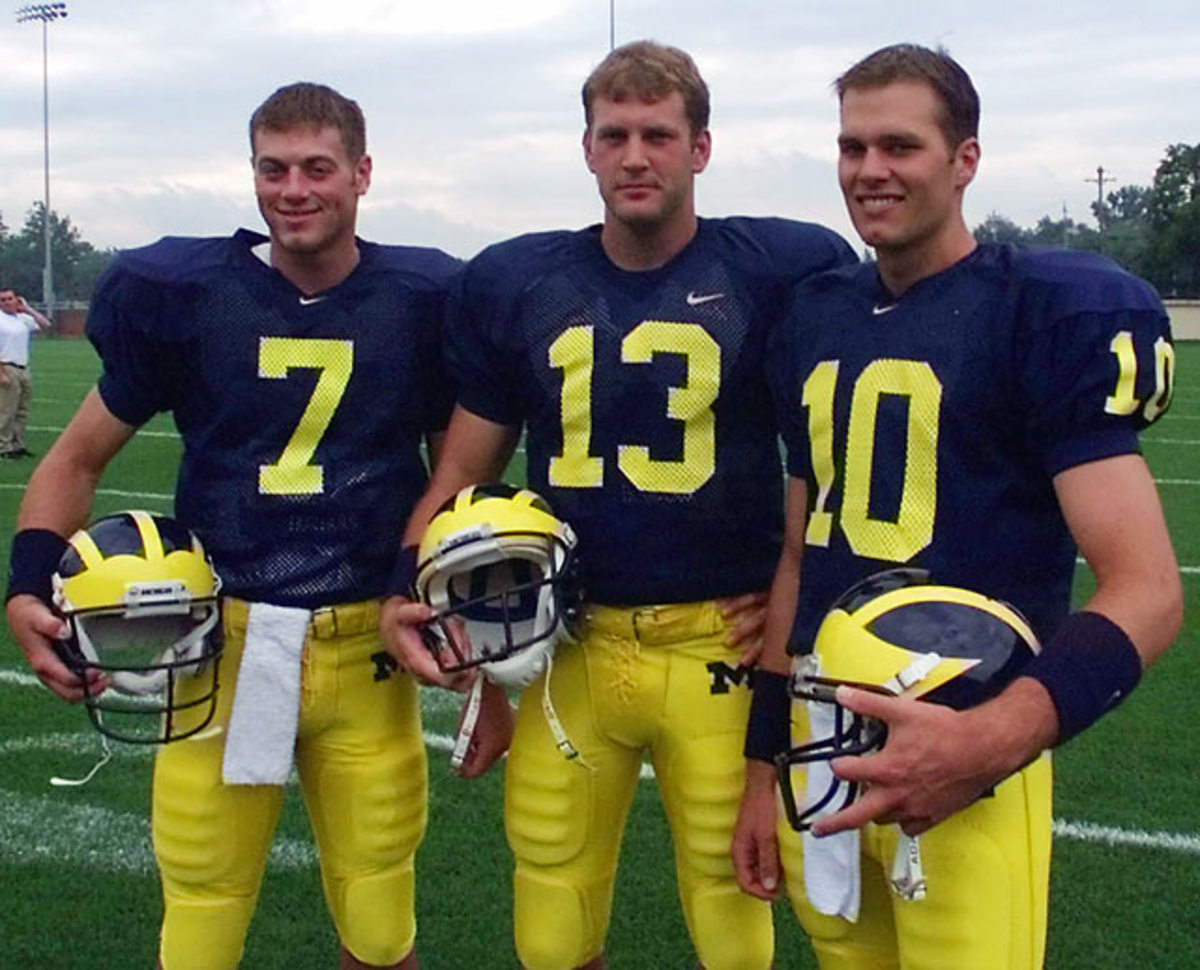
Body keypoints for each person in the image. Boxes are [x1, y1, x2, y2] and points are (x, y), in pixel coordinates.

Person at [382, 40, 855, 970]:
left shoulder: (782, 268)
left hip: (716, 638)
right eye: (615, 135)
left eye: (658, 134)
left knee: (731, 916)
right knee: (551, 915)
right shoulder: (521, 283)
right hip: (572, 641)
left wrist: (802, 595)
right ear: (588, 150)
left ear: (700, 148)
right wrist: (409, 582)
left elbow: (831, 462)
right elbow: (461, 475)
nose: (636, 155)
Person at [731, 43, 1182, 970]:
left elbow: (1148, 590)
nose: (870, 171)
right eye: (853, 147)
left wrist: (989, 740)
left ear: (964, 159)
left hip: (969, 731)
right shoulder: (815, 318)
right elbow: (798, 550)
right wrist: (760, 761)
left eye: (899, 146)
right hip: (824, 739)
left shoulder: (1040, 309)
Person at [5, 82, 465, 970]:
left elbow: (456, 476)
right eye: (273, 168)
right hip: (223, 638)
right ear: (252, 173)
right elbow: (74, 459)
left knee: (379, 925)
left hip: (364, 639)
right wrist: (27, 582)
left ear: (362, 174)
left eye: (317, 168)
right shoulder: (192, 292)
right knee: (202, 922)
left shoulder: (422, 296)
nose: (294, 189)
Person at [0, 287, 52, 458]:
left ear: (17, 299)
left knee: (22, 409)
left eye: (10, 298)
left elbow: (46, 325)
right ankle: (3, 446)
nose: (7, 302)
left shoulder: (23, 319)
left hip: (23, 367)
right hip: (7, 366)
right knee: (6, 409)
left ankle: (16, 443)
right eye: (3, 300)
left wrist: (27, 309)